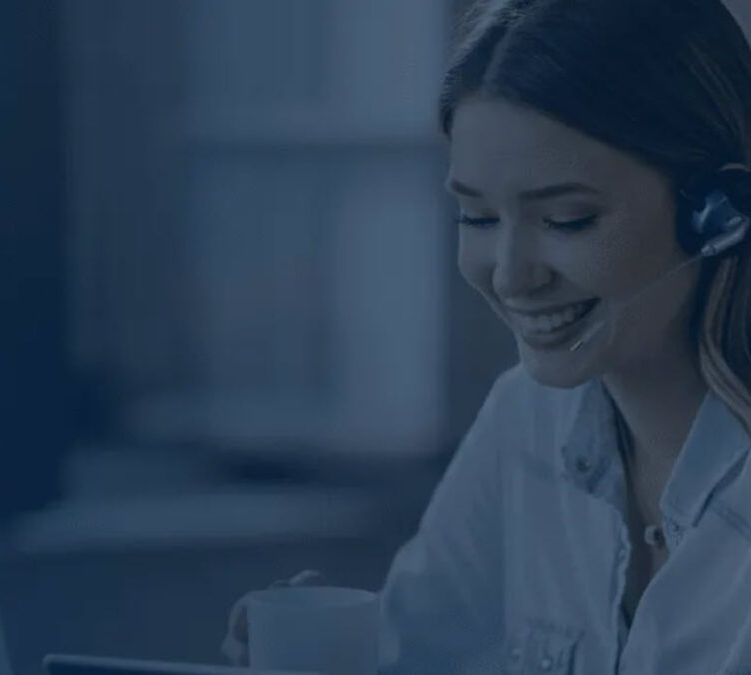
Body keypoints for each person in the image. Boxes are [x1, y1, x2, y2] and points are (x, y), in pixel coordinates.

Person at [223, 0, 751, 672]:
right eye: (475, 216)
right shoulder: (529, 418)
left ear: (720, 213)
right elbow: (414, 651)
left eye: (567, 219)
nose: (510, 277)